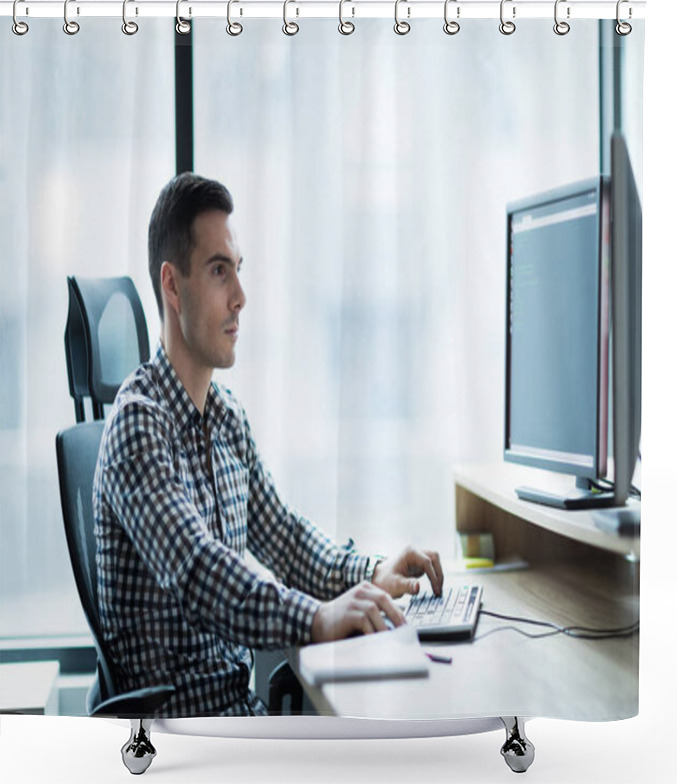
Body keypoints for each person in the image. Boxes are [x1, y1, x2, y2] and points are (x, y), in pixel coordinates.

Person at [94, 172, 444, 717]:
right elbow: (197, 570)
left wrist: (371, 572)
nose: (240, 297)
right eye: (218, 271)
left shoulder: (226, 417)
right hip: (184, 738)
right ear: (172, 284)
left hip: (240, 716)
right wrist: (315, 619)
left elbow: (283, 536)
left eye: (238, 270)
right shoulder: (138, 427)